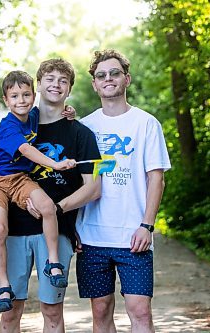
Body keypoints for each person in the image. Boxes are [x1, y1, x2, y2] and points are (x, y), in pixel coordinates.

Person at [0, 59, 102, 332]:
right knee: (10, 313)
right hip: (15, 229)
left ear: (69, 90)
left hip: (56, 231)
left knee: (52, 312)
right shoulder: (19, 122)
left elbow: (93, 188)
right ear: (39, 84)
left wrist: (55, 209)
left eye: (63, 80)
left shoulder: (81, 133)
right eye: (50, 79)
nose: (56, 84)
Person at [75, 49, 171, 333]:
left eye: (114, 73)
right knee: (100, 311)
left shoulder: (146, 124)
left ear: (126, 79)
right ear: (94, 84)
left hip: (134, 236)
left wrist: (147, 225)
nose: (108, 79)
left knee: (140, 311)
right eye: (101, 75)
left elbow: (156, 179)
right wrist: (72, 227)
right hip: (92, 236)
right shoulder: (84, 127)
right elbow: (75, 182)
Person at [0, 70, 77, 313]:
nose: (21, 100)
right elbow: (26, 150)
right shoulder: (9, 126)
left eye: (26, 95)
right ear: (6, 100)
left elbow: (54, 108)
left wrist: (70, 112)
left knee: (47, 207)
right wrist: (55, 164)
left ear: (33, 96)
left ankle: (53, 262)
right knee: (0, 228)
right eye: (14, 96)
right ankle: (4, 284)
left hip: (20, 179)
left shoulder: (33, 115)